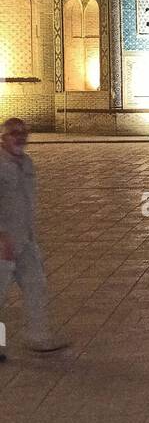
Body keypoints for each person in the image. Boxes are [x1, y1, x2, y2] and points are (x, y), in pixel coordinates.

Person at [0, 117, 69, 359]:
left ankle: (37, 336)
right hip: (3, 244)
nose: (20, 136)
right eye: (13, 133)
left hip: (25, 240)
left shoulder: (27, 163)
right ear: (3, 138)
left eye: (23, 132)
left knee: (36, 286)